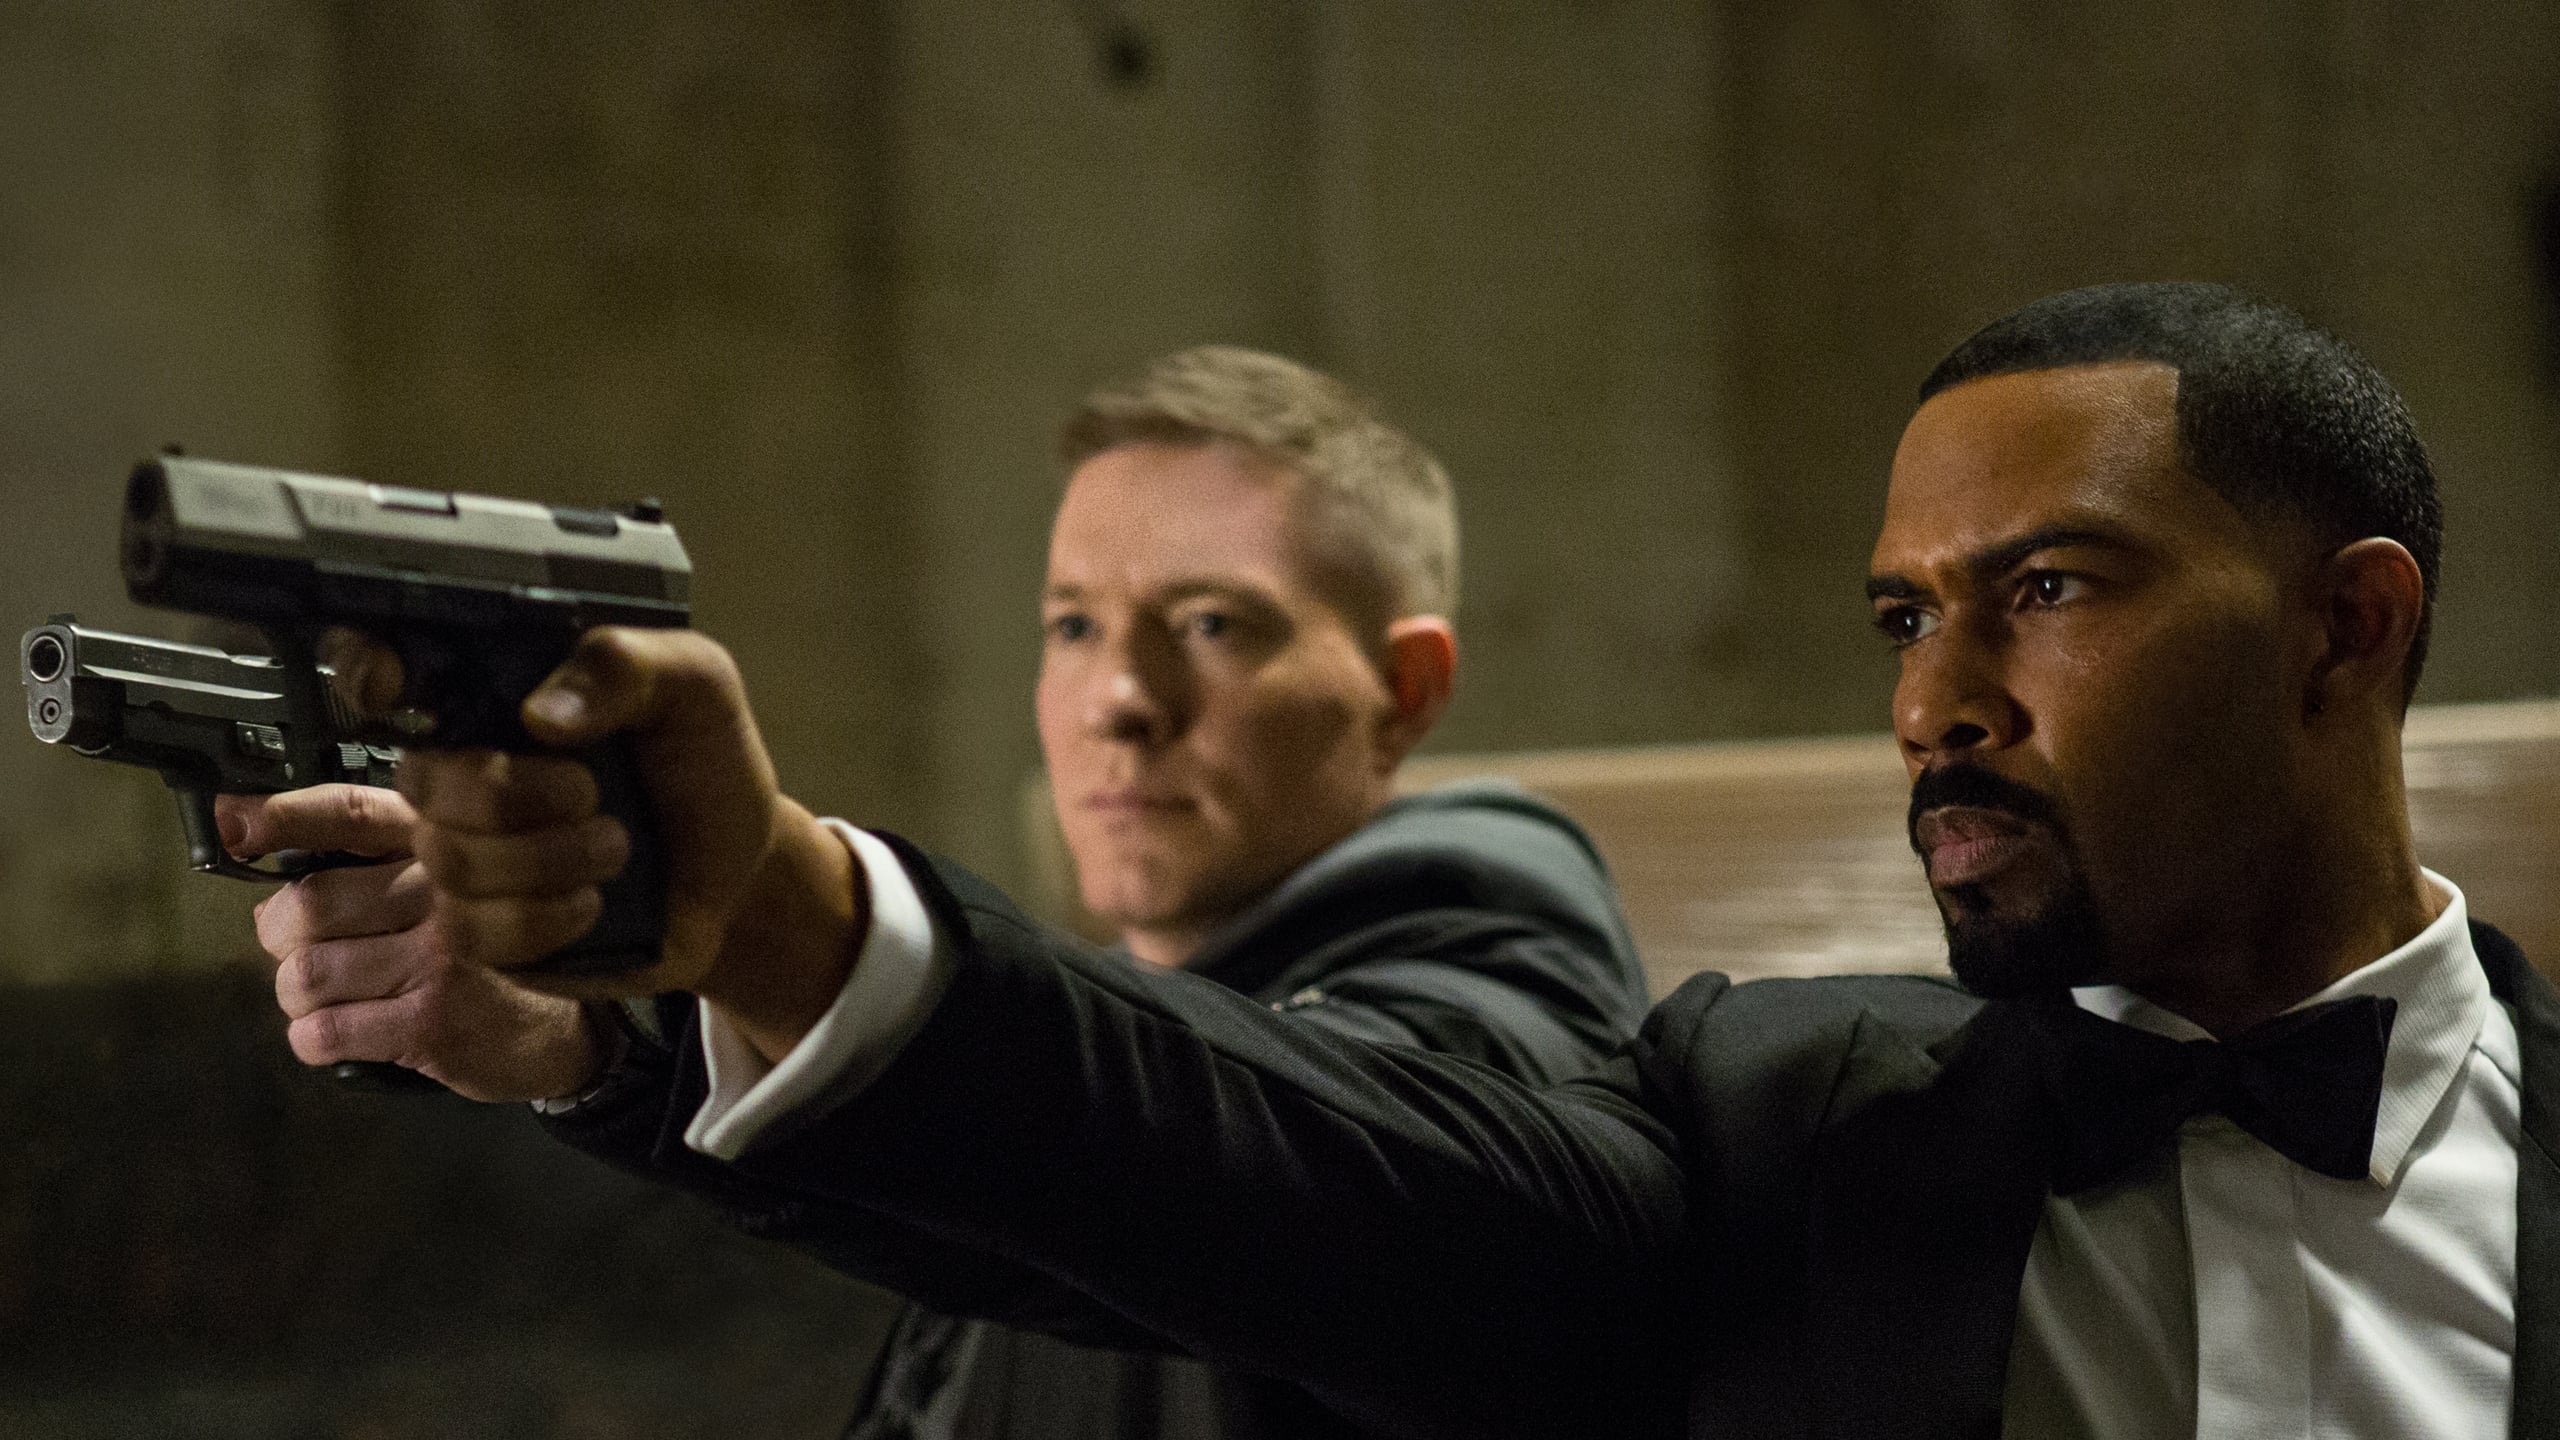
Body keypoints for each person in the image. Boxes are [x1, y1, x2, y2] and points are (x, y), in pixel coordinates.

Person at [326, 282, 2555, 1439]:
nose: (1932, 702)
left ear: (2344, 630)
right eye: (1902, 619)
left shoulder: (1465, 928)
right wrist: (730, 948)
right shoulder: (1775, 1120)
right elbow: (1267, 1192)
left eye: (2044, 591)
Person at [222, 346, 1652, 1440]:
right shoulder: (1136, 1035)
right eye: (1074, 626)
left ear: (1406, 691)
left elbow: (1279, 1176)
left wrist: (787, 915)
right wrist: (590, 1043)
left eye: (1214, 624)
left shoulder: (1496, 968)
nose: (1119, 697)